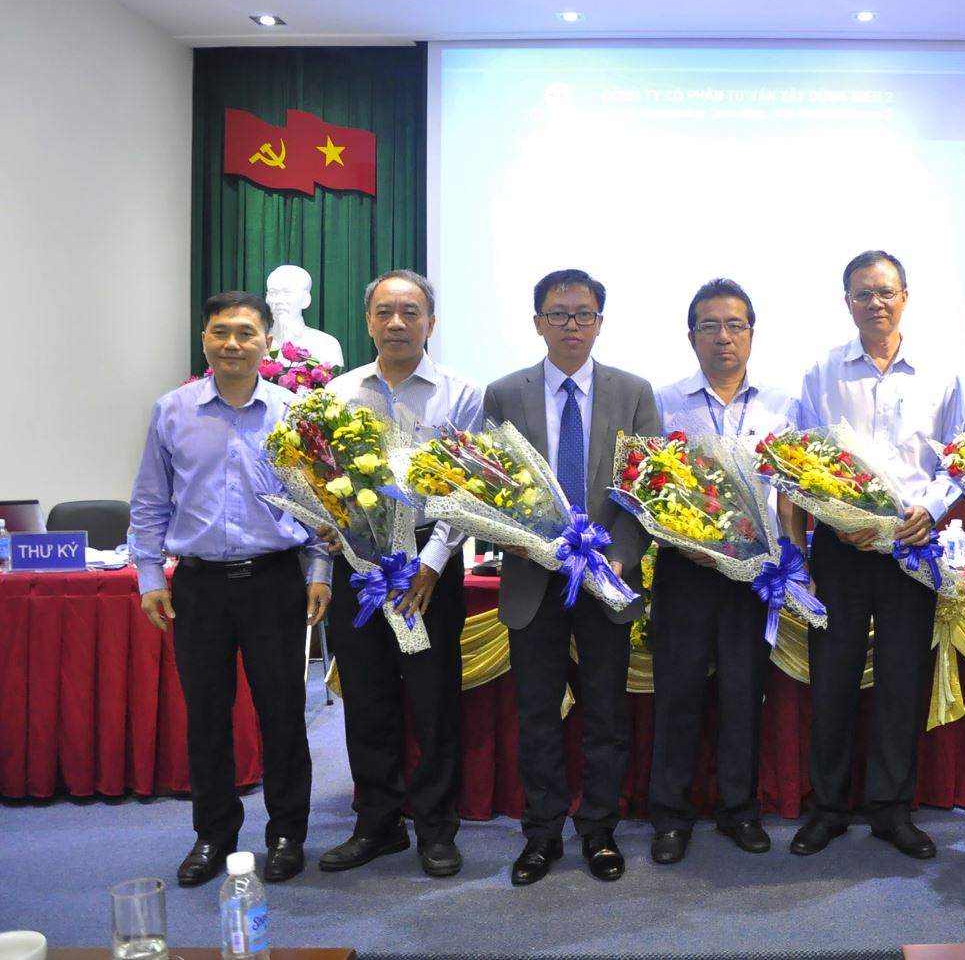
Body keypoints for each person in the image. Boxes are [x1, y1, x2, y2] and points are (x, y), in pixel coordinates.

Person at [129, 291, 331, 887]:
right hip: (200, 587)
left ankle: (287, 833)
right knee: (207, 716)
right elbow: (149, 500)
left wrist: (319, 571)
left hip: (274, 581)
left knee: (284, 713)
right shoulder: (172, 411)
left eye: (245, 332)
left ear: (267, 341)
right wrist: (148, 575)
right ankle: (213, 835)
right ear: (205, 340)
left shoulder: (294, 412)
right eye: (220, 332)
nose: (233, 343)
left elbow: (320, 502)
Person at [785, 250, 965, 860]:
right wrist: (840, 518)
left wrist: (931, 509)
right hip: (843, 549)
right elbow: (802, 460)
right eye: (863, 293)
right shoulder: (822, 373)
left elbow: (958, 461)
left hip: (912, 549)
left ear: (905, 297)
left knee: (901, 680)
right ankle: (829, 809)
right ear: (848, 303)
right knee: (832, 679)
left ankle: (891, 810)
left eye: (885, 292)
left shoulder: (940, 375)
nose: (875, 302)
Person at [484, 268, 660, 886]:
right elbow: (486, 486)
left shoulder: (632, 392)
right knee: (537, 713)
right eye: (558, 314)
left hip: (607, 577)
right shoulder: (504, 393)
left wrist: (623, 555)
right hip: (533, 577)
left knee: (606, 713)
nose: (571, 325)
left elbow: (647, 489)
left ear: (599, 323)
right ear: (538, 322)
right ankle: (541, 834)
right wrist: (518, 539)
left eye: (584, 314)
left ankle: (599, 830)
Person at [319, 270, 484, 879]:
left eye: (410, 312)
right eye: (385, 312)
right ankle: (377, 823)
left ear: (430, 323)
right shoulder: (338, 394)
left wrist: (432, 564)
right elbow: (320, 485)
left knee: (433, 700)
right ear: (368, 321)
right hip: (359, 566)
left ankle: (437, 828)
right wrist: (329, 543)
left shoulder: (462, 395)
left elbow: (465, 489)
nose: (397, 323)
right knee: (366, 698)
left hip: (427, 566)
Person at [648, 278, 798, 865]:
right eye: (709, 326)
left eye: (735, 325)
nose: (723, 336)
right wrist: (678, 539)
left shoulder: (782, 405)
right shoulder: (662, 401)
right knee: (678, 694)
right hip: (684, 568)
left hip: (753, 573)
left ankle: (740, 810)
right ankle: (670, 817)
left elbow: (789, 494)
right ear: (691, 337)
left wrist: (796, 564)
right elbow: (646, 487)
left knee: (742, 693)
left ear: (752, 334)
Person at [265, 263, 344, 367]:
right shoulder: (257, 342)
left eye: (287, 292)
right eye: (273, 293)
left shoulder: (326, 345)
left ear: (306, 299)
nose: (279, 300)